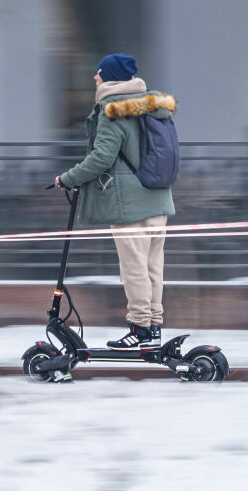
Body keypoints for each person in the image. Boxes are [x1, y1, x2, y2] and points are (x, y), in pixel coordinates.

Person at [55, 53, 176, 350]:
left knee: (133, 269)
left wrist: (68, 178)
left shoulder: (113, 111)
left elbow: (101, 158)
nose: (95, 78)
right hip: (158, 199)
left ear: (110, 78)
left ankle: (139, 328)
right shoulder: (154, 108)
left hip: (129, 206)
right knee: (152, 268)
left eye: (98, 73)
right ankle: (153, 327)